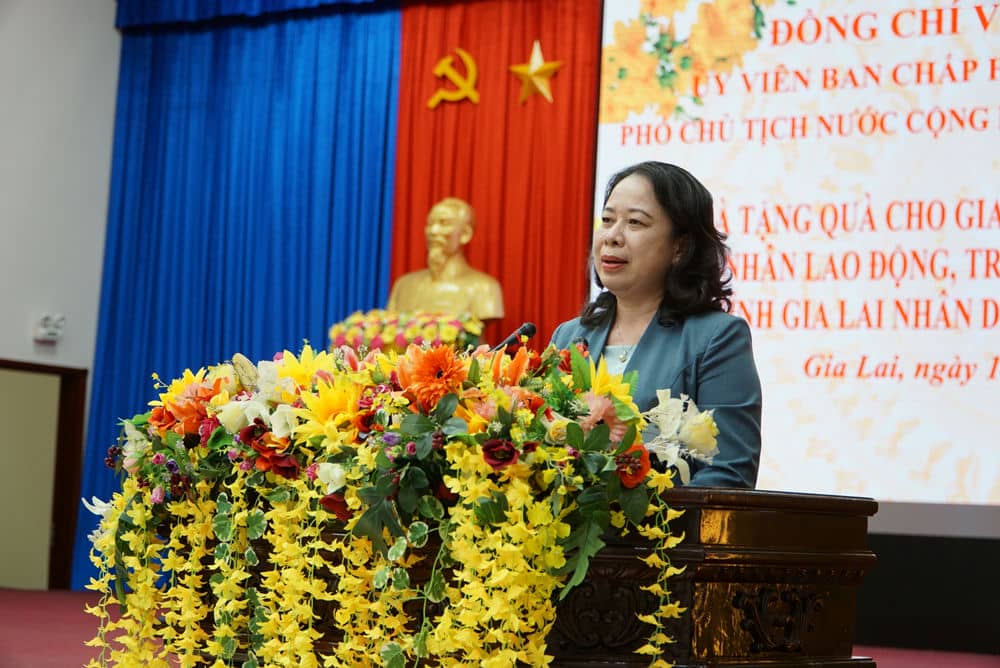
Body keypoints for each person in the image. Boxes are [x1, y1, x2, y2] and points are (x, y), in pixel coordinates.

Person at [550, 161, 761, 488]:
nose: (612, 236)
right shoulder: (569, 336)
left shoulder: (716, 338)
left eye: (635, 222)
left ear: (680, 246)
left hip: (664, 534)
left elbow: (728, 475)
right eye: (607, 220)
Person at [387, 197, 505, 321]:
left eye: (444, 223)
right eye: (429, 224)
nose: (433, 231)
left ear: (465, 234)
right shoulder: (404, 285)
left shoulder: (485, 287)